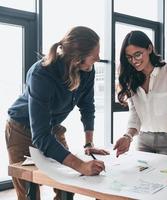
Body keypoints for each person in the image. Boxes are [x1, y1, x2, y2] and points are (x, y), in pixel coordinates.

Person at [5, 26, 109, 200]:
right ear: (77, 59)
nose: (98, 58)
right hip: (20, 128)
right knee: (28, 188)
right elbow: (41, 136)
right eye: (94, 55)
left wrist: (88, 143)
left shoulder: (87, 70)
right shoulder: (41, 74)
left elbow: (87, 105)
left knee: (68, 183)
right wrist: (82, 165)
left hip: (51, 127)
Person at [113, 30, 167, 158]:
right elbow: (135, 114)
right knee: (142, 177)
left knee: (165, 177)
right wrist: (128, 136)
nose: (134, 61)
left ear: (149, 48)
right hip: (143, 140)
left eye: (138, 54)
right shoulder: (131, 79)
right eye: (129, 57)